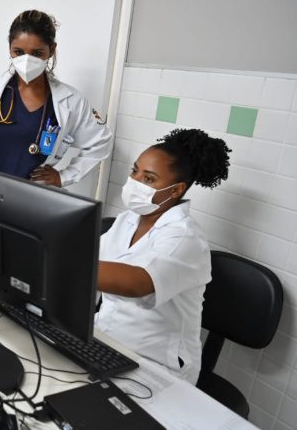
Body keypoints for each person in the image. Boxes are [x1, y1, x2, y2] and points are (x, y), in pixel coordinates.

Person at [95, 128, 231, 384]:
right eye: (134, 171)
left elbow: (138, 282)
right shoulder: (128, 220)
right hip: (106, 341)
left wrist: (63, 261)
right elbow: (92, 257)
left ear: (176, 190)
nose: (134, 182)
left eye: (148, 179)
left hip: (156, 363)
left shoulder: (186, 238)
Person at [0, 10, 112, 187]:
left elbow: (101, 142)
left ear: (52, 50)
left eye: (37, 53)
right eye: (19, 51)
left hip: (32, 201)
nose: (27, 60)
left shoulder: (71, 101)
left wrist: (64, 176)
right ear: (10, 48)